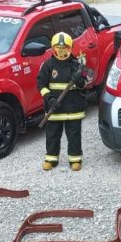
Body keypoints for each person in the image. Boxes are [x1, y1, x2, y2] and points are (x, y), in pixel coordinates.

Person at [37, 32, 90, 171]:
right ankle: (51, 159)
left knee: (74, 135)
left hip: (73, 108)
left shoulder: (76, 66)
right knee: (52, 135)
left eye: (64, 48)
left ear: (70, 49)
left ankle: (75, 160)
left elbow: (85, 85)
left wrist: (80, 81)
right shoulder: (48, 65)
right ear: (53, 49)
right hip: (54, 108)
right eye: (58, 48)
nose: (61, 52)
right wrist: (49, 99)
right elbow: (41, 84)